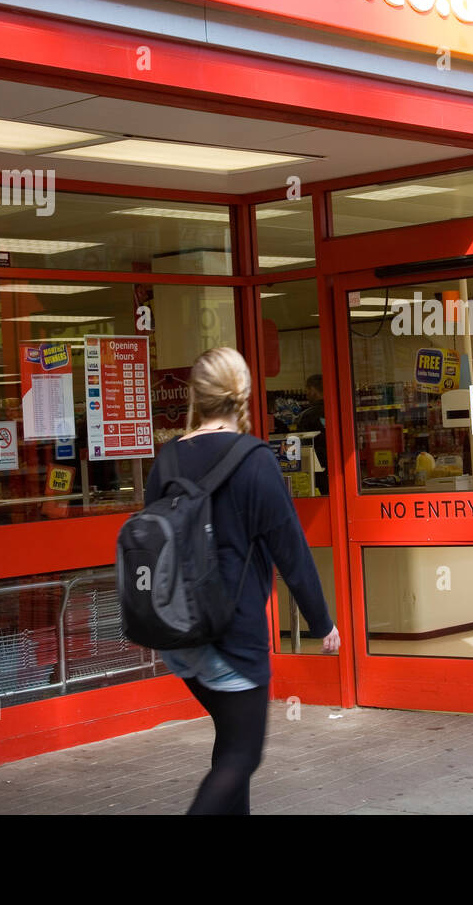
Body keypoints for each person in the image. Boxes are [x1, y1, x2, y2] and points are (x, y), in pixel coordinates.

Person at [145, 347, 339, 815]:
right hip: (230, 631)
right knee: (242, 753)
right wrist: (322, 624)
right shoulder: (254, 460)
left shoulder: (167, 459)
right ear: (244, 395)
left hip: (176, 631)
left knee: (230, 741)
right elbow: (290, 549)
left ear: (196, 396)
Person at [294, 373, 328, 494]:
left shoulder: (307, 416)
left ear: (313, 390)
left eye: (307, 390)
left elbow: (301, 446)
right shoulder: (335, 410)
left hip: (316, 468)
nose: (306, 394)